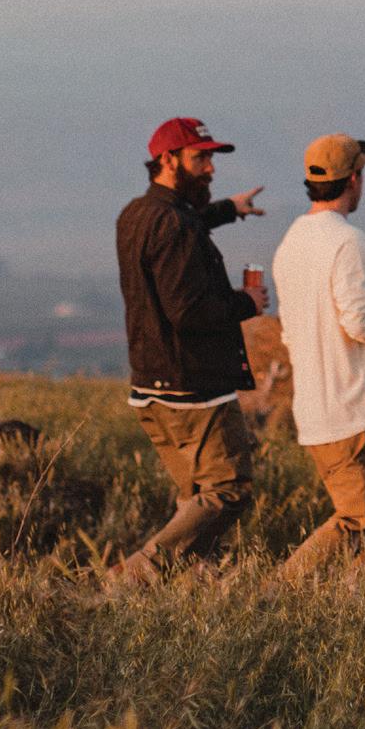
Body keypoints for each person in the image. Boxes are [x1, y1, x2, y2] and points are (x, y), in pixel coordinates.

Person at [110, 116, 268, 585]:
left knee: (195, 499)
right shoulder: (175, 226)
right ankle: (135, 576)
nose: (211, 168)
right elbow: (189, 311)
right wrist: (247, 303)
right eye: (200, 158)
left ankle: (186, 592)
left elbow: (185, 223)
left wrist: (229, 209)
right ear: (167, 159)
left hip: (152, 387)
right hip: (193, 389)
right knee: (229, 489)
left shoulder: (136, 215)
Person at [271, 132, 365, 575]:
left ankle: (336, 604)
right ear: (354, 179)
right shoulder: (349, 241)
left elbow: (291, 331)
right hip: (353, 408)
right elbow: (360, 323)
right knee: (360, 523)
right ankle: (274, 595)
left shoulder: (291, 242)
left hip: (315, 408)